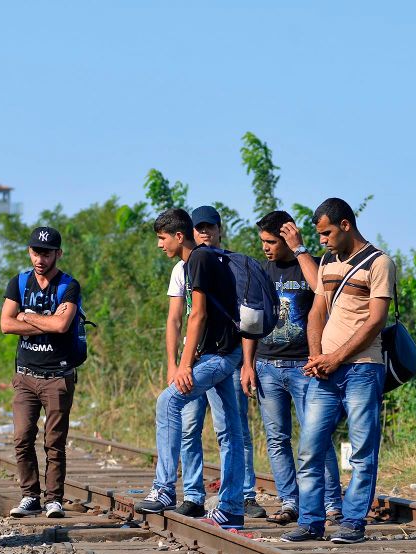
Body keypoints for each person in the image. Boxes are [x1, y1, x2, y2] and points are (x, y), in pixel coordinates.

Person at [281, 198, 396, 545]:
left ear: (345, 225)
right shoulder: (329, 262)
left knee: (362, 449)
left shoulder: (380, 263)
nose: (323, 241)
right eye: (319, 235)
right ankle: (311, 520)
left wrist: (338, 356)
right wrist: (317, 356)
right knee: (310, 447)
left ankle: (353, 521)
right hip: (324, 371)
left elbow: (377, 320)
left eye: (327, 233)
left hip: (363, 368)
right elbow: (317, 311)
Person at [136, 208, 246, 529]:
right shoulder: (201, 261)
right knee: (230, 432)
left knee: (168, 401)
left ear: (178, 236)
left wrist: (184, 365)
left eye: (162, 238)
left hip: (217, 355)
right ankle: (232, 506)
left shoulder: (197, 260)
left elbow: (196, 315)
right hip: (222, 352)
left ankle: (165, 488)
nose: (160, 245)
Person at [241, 211, 343, 526]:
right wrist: (248, 364)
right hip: (267, 366)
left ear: (287, 237)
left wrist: (299, 250)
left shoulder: (313, 262)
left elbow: (321, 290)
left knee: (317, 436)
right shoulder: (260, 271)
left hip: (305, 366)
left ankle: (331, 504)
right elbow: (251, 322)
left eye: (272, 241)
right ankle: (290, 503)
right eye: (263, 242)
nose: (266, 248)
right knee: (276, 438)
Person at [163, 205, 264, 519]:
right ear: (189, 232)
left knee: (231, 429)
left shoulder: (228, 264)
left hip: (221, 355)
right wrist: (175, 362)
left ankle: (242, 496)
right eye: (199, 227)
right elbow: (177, 318)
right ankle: (194, 495)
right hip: (194, 357)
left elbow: (246, 318)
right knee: (190, 427)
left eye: (209, 227)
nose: (204, 232)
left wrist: (247, 362)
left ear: (220, 230)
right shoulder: (183, 267)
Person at [0, 226, 82, 519]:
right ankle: (29, 496)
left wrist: (27, 316)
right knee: (22, 437)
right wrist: (44, 320)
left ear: (58, 254)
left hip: (58, 376)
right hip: (25, 376)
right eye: (36, 252)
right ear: (29, 251)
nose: (40, 258)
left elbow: (62, 327)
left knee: (54, 441)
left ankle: (54, 499)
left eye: (47, 253)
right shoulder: (19, 283)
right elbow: (6, 324)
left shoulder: (69, 286)